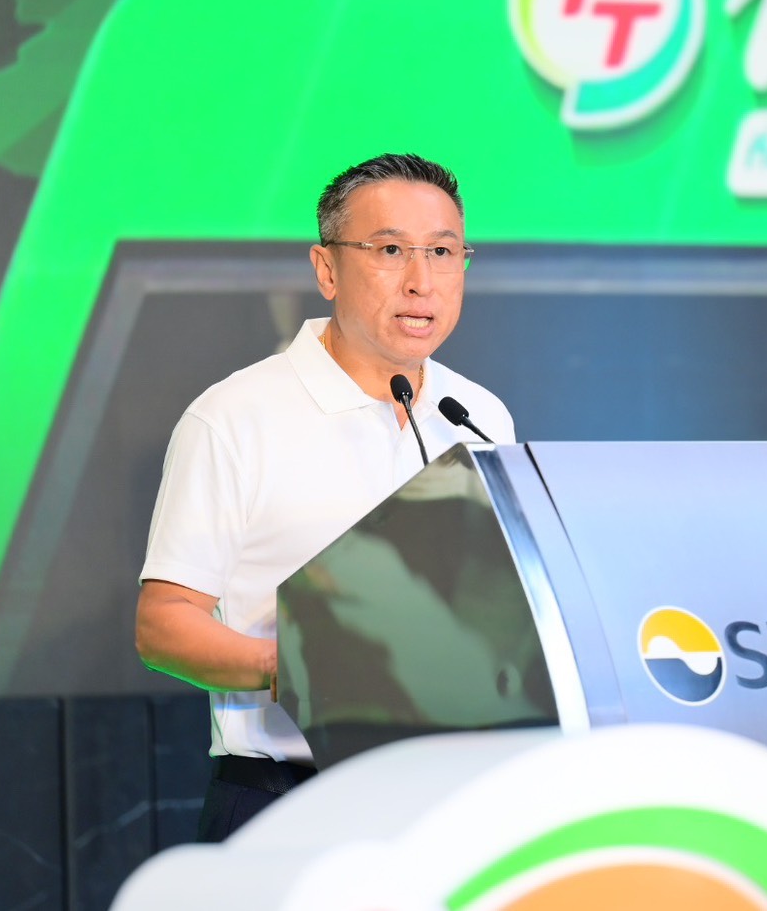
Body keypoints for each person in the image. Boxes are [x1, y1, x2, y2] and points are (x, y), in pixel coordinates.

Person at [135, 153, 515, 842]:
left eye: (442, 252)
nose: (421, 280)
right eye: (390, 250)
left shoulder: (479, 415)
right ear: (327, 269)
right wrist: (301, 666)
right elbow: (163, 624)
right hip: (284, 805)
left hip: (447, 805)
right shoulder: (234, 417)